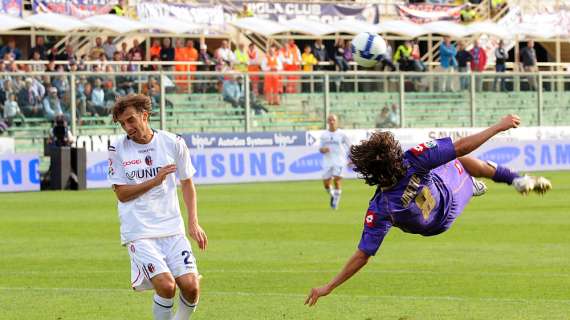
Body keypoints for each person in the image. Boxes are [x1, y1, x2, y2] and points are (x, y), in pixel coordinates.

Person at [305, 114, 552, 306]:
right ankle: (514, 180)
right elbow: (463, 146)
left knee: (450, 165)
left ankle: (476, 185)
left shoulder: (379, 209)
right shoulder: (411, 159)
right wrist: (499, 125)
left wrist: (329, 286)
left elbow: (362, 255)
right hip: (448, 193)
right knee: (457, 159)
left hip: (438, 225)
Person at [107, 94, 207, 320]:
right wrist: (156, 179)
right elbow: (122, 194)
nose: (127, 127)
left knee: (191, 287)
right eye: (122, 123)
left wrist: (193, 222)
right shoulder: (117, 148)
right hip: (140, 231)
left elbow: (187, 183)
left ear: (145, 115)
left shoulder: (173, 142)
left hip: (172, 228)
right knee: (166, 286)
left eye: (130, 120)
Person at [319, 114, 351, 210]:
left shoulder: (342, 134)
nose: (332, 122)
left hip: (339, 161)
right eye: (330, 120)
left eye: (333, 120)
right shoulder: (324, 135)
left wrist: (351, 159)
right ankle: (333, 195)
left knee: (337, 180)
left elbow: (350, 146)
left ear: (336, 121)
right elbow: (320, 149)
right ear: (327, 122)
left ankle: (335, 202)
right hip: (327, 161)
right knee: (326, 183)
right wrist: (323, 149)